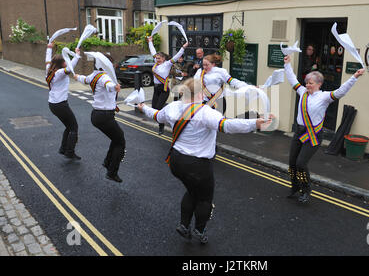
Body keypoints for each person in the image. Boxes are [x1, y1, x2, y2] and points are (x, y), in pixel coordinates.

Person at [138, 78, 272, 244]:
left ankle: (184, 225)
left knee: (192, 192)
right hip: (197, 166)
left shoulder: (172, 107)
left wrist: (143, 107)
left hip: (176, 161)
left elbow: (156, 116)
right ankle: (199, 231)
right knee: (204, 199)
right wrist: (255, 124)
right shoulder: (205, 112)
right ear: (200, 94)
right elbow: (227, 126)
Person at [284, 54, 365, 203]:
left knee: (301, 163)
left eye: (311, 83)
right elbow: (291, 79)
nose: (307, 85)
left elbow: (341, 91)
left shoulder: (325, 97)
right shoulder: (302, 92)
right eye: (307, 82)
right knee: (292, 163)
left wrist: (354, 77)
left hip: (313, 135)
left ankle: (305, 189)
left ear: (319, 84)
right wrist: (287, 64)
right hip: (299, 132)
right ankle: (295, 186)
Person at [74, 54, 124, 183]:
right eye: (110, 64)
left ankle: (108, 163)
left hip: (97, 115)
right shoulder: (105, 77)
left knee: (116, 138)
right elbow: (108, 85)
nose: (112, 66)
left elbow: (85, 79)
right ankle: (112, 172)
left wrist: (76, 77)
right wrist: (114, 87)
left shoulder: (94, 75)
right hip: (105, 116)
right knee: (120, 142)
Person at [45, 42, 82, 160]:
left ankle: (63, 149)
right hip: (60, 104)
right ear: (61, 64)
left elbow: (47, 60)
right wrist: (76, 56)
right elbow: (70, 68)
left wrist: (49, 48)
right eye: (65, 60)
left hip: (53, 104)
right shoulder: (60, 73)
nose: (67, 61)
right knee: (74, 127)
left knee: (69, 126)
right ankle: (69, 152)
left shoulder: (49, 70)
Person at [147, 36, 188, 135]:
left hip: (164, 89)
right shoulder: (155, 63)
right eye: (156, 58)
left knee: (158, 108)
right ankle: (169, 112)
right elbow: (152, 50)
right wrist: (150, 41)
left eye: (159, 58)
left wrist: (183, 48)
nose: (157, 60)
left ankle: (162, 126)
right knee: (154, 108)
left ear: (164, 59)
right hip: (156, 89)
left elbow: (176, 56)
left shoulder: (167, 64)